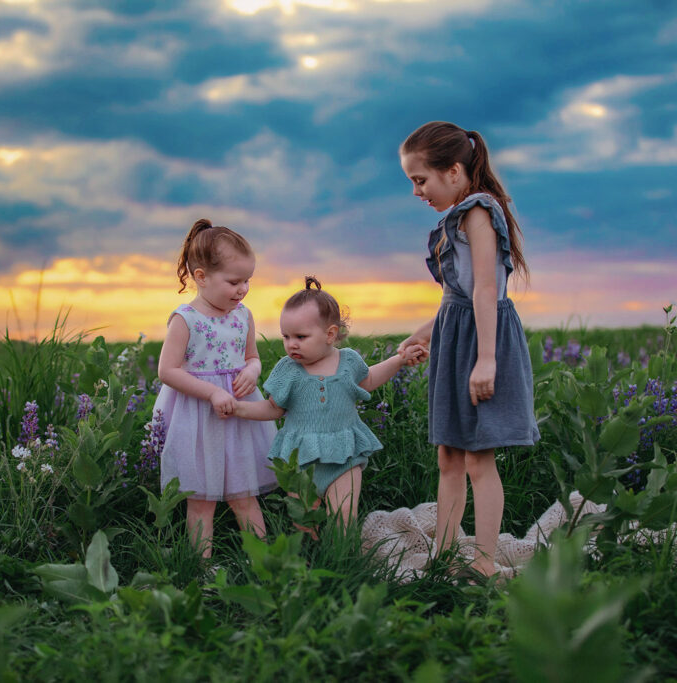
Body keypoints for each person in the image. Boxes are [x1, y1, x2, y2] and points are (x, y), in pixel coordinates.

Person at [398, 121, 540, 578]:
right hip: (458, 334)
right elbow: (455, 298)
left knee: (479, 456)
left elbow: (484, 291)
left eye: (421, 180)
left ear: (454, 171)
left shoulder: (479, 212)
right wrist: (425, 333)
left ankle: (482, 562)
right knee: (449, 455)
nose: (417, 192)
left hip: (483, 339)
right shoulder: (456, 216)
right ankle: (443, 557)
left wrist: (486, 358)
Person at [231, 277, 425, 532]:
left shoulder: (348, 361)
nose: (291, 344)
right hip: (300, 457)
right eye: (286, 336)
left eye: (301, 336)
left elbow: (368, 381)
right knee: (303, 517)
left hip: (344, 453)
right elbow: (273, 408)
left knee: (344, 512)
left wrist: (398, 361)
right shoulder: (287, 370)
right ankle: (309, 563)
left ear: (330, 334)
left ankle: (343, 559)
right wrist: (238, 409)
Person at [154, 218, 279, 560]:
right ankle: (201, 568)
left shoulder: (243, 316)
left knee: (244, 495)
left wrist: (252, 371)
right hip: (198, 416)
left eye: (247, 281)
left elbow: (252, 356)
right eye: (234, 281)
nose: (242, 289)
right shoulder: (185, 319)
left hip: (239, 413)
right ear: (201, 277)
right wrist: (211, 392)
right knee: (201, 501)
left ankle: (264, 563)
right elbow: (168, 370)